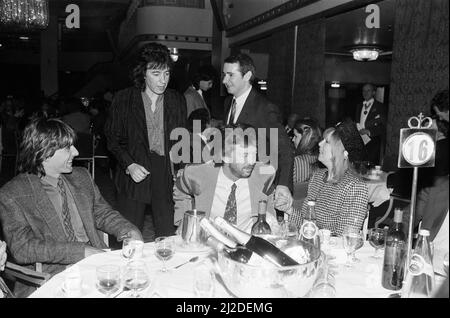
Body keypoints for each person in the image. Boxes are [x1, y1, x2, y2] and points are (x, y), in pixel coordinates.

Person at [0, 118, 142, 297]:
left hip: (98, 261)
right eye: (68, 148)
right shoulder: (13, 194)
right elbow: (23, 248)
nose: (75, 152)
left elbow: (102, 213)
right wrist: (80, 251)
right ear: (45, 152)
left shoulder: (81, 177)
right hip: (52, 274)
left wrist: (127, 230)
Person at [104, 42, 187, 237]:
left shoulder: (176, 100)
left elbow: (182, 139)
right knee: (128, 233)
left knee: (167, 232)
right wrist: (129, 165)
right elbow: (112, 139)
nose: (162, 80)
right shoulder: (124, 99)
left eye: (166, 74)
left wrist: (182, 169)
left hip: (165, 170)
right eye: (156, 74)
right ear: (143, 73)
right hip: (135, 168)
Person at [222, 53, 294, 214]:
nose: (224, 80)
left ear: (247, 76)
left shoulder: (264, 108)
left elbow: (285, 148)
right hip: (233, 182)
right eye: (224, 75)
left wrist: (283, 185)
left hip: (256, 184)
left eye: (230, 75)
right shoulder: (228, 103)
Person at [173, 124, 278, 232]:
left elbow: (268, 202)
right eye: (245, 155)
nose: (251, 161)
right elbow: (180, 191)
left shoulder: (264, 175)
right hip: (210, 241)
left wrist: (272, 224)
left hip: (247, 240)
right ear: (225, 157)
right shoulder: (198, 174)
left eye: (254, 154)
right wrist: (184, 220)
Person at [290, 119, 369, 236]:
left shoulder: (355, 187)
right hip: (312, 245)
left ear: (344, 153)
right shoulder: (317, 177)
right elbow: (305, 222)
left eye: (326, 142)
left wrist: (318, 237)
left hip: (334, 250)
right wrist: (288, 209)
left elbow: (345, 236)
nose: (319, 144)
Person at [355, 83, 387, 165]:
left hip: (373, 140)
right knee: (359, 164)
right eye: (364, 90)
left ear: (373, 92)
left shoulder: (380, 106)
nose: (365, 92)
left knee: (371, 165)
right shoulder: (359, 106)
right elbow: (357, 122)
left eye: (368, 90)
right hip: (359, 140)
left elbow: (383, 126)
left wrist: (369, 131)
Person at [292, 117, 322, 184]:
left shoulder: (297, 162)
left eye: (295, 136)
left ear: (305, 138)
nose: (293, 139)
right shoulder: (321, 159)